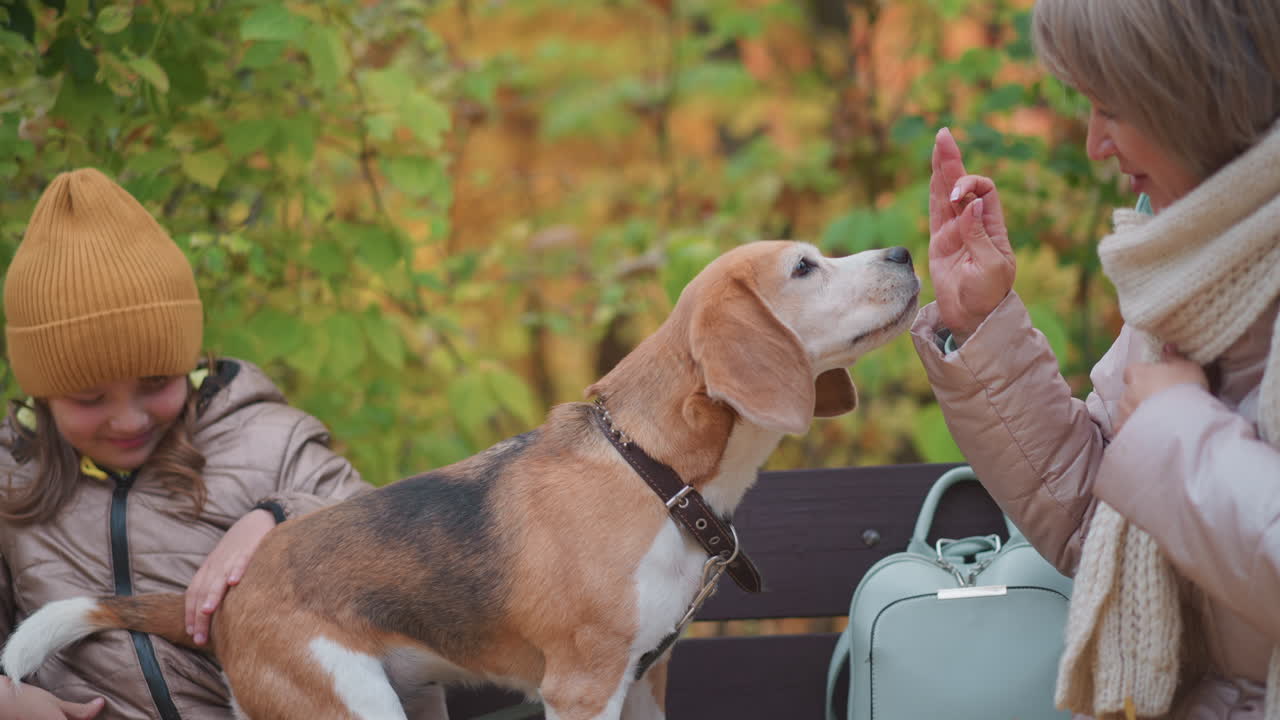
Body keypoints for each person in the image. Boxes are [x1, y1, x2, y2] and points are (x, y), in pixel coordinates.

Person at [911, 1, 1280, 718]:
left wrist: (1178, 440)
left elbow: (1169, 465)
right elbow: (1097, 516)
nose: (1093, 144)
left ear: (1196, 96)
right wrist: (983, 327)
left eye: (1111, 108)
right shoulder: (1189, 272)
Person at [0, 169, 448, 719]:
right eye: (89, 398)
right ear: (40, 396)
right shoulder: (10, 480)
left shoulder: (267, 440)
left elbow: (386, 534)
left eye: (155, 383)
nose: (128, 418)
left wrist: (277, 516)